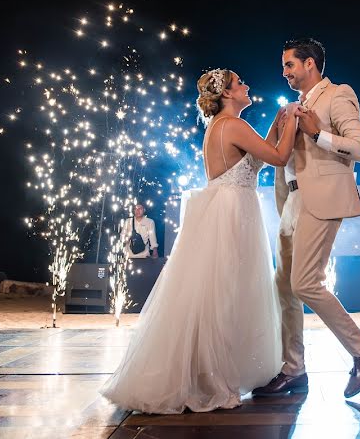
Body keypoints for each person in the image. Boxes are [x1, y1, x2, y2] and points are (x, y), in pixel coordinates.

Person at [101, 68, 296, 413]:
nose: (247, 85)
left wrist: (275, 128)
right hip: (233, 212)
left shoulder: (221, 126)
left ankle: (207, 371)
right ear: (227, 94)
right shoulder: (233, 125)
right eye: (240, 83)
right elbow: (278, 157)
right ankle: (213, 377)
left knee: (217, 291)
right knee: (225, 293)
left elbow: (255, 162)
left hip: (227, 207)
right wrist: (293, 118)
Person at [253, 38, 360, 400]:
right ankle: (293, 369)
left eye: (289, 65)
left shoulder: (338, 94)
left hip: (322, 198)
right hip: (292, 202)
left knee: (305, 283)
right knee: (284, 287)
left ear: (309, 63)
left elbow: (359, 147)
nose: (284, 72)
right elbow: (279, 159)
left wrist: (316, 133)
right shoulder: (292, 107)